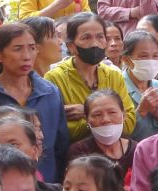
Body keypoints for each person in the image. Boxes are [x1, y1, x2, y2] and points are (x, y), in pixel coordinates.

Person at [0, 21, 71, 182]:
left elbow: (61, 145)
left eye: (32, 48)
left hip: (47, 184)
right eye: (18, 49)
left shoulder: (50, 92)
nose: (27, 56)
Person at [45, 12, 138, 144]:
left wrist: (86, 112)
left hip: (115, 151)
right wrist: (108, 119)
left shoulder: (114, 75)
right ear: (71, 46)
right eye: (86, 37)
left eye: (100, 37)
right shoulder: (55, 78)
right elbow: (60, 129)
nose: (95, 44)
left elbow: (129, 123)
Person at [67, 88, 135, 181]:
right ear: (87, 120)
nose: (106, 120)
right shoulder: (79, 152)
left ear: (124, 115)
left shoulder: (137, 150)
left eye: (112, 112)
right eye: (97, 115)